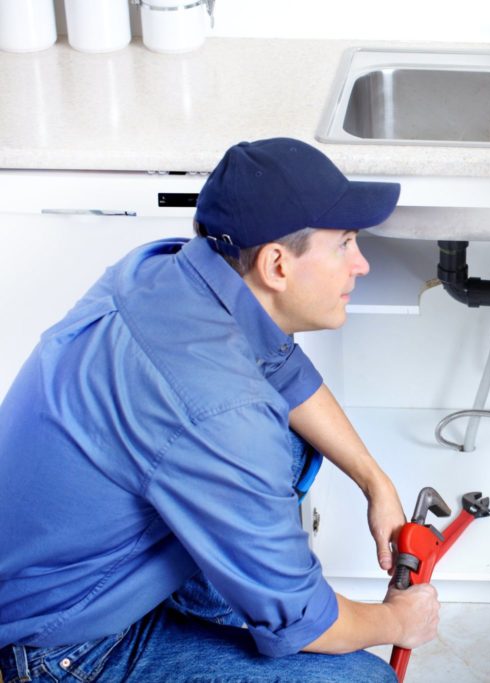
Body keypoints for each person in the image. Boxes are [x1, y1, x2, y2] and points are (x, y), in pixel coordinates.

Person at [0, 138, 439, 682]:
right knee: (362, 678)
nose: (362, 264)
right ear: (277, 264)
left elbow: (284, 371)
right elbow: (306, 622)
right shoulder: (220, 408)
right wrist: (396, 622)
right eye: (345, 243)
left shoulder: (167, 270)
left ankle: (240, 587)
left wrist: (377, 483)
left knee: (288, 437)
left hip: (63, 569)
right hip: (60, 647)